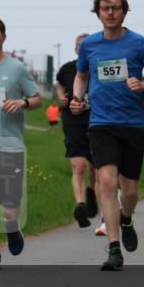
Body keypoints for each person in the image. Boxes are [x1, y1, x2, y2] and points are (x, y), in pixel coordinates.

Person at [70, 0, 144, 271]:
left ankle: (127, 217)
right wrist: (77, 98)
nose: (110, 13)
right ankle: (114, 249)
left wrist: (143, 85)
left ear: (124, 12)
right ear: (98, 13)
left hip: (133, 124)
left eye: (115, 8)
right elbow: (81, 75)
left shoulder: (138, 43)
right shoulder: (90, 44)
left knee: (131, 191)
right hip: (101, 123)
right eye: (105, 8)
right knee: (107, 182)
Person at [0, 16, 41, 270]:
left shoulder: (16, 68)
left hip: (10, 147)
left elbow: (37, 99)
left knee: (10, 210)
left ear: (3, 37)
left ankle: (12, 227)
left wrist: (22, 103)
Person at [55, 33, 99, 230]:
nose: (83, 48)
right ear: (75, 49)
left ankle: (91, 191)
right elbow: (59, 83)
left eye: (87, 45)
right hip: (73, 122)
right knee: (78, 166)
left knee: (95, 168)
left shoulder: (98, 68)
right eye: (80, 45)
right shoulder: (67, 68)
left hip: (97, 122)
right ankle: (80, 206)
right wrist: (61, 97)